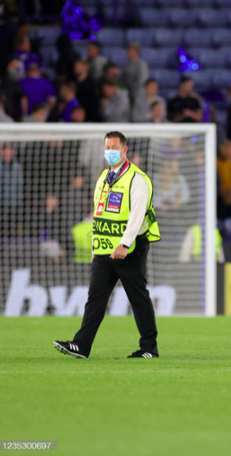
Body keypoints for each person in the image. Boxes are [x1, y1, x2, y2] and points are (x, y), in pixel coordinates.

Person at [53, 131, 161, 359]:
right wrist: (95, 247)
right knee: (95, 298)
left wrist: (124, 244)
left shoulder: (136, 178)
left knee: (137, 296)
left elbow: (137, 216)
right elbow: (98, 215)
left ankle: (149, 348)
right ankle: (81, 345)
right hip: (104, 248)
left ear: (125, 149)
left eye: (114, 148)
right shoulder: (103, 177)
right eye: (107, 148)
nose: (110, 152)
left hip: (129, 249)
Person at [122, 42, 149, 106]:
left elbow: (142, 81)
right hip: (127, 93)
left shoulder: (141, 64)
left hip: (137, 94)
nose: (127, 51)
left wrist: (132, 90)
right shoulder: (126, 64)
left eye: (130, 49)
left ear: (136, 51)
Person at [0, 144, 23, 210]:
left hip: (15, 205)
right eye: (6, 151)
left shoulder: (18, 167)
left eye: (10, 151)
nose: (8, 153)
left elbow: (20, 185)